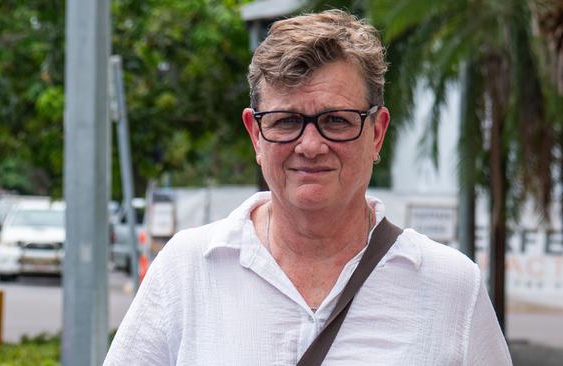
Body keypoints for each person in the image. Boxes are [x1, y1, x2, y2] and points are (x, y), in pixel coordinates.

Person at [104, 9, 512, 365]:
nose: (311, 146)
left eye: (336, 120)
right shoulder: (188, 269)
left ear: (377, 133)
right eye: (286, 122)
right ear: (255, 135)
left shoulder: (452, 287)